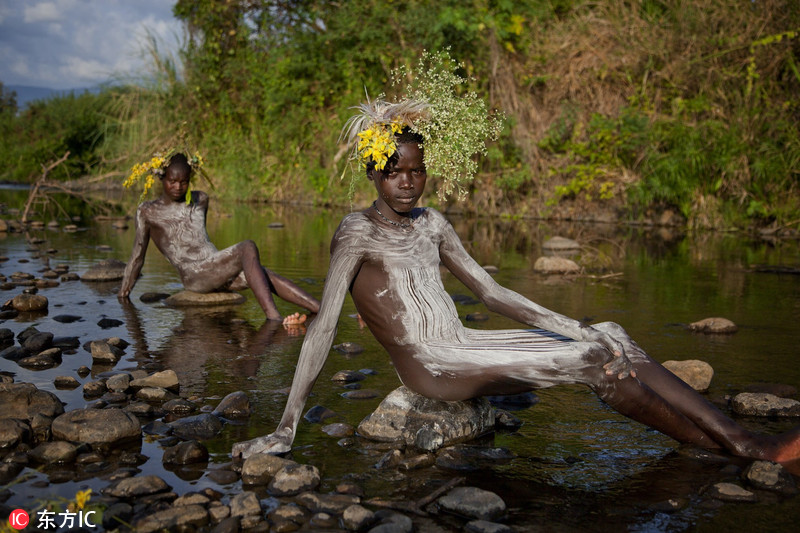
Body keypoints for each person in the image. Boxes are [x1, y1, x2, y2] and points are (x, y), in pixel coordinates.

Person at [232, 90, 800, 465]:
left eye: (417, 170)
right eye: (394, 172)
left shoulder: (433, 224)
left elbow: (491, 291)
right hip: (433, 364)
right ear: (373, 174)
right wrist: (286, 426)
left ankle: (737, 441)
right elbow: (326, 326)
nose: (408, 183)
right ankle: (731, 450)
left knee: (610, 333)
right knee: (590, 360)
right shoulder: (356, 233)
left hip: (466, 344)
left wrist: (574, 323)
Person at [118, 152, 320, 324]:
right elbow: (137, 255)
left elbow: (200, 239)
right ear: (161, 178)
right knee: (247, 247)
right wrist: (124, 294)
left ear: (190, 179)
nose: (178, 187)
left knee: (261, 273)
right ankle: (274, 318)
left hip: (215, 268)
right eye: (172, 181)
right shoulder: (148, 211)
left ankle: (320, 309)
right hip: (194, 275)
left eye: (184, 182)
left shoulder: (200, 199)